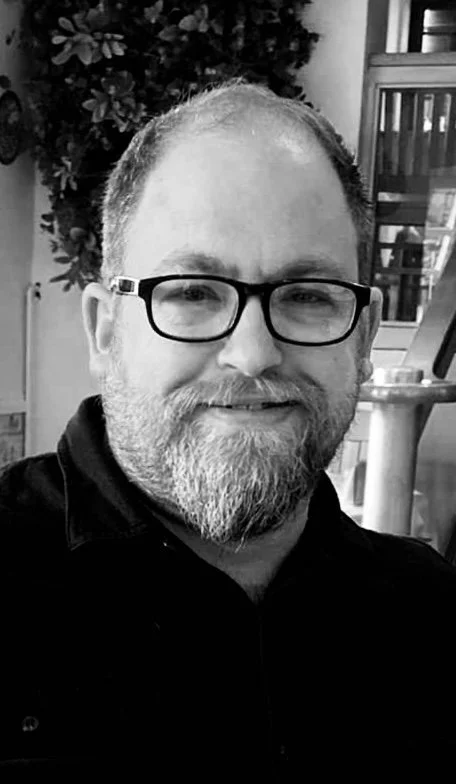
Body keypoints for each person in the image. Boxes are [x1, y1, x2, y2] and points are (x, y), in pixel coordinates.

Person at [1, 79, 455, 778]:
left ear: (362, 337)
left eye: (307, 296)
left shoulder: (430, 618)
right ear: (103, 328)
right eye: (190, 293)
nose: (252, 354)